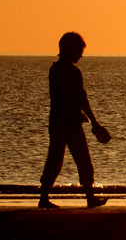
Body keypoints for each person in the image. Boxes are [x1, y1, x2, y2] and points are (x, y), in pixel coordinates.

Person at [38, 31, 108, 208]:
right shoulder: (73, 72)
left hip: (56, 122)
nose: (81, 55)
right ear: (70, 49)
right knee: (83, 160)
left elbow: (62, 98)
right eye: (79, 50)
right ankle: (90, 198)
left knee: (54, 160)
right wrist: (93, 121)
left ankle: (44, 197)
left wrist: (79, 114)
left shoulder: (54, 70)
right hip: (70, 124)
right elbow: (80, 98)